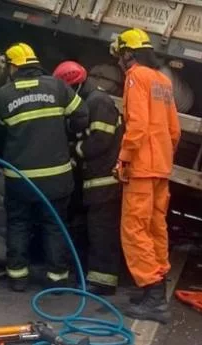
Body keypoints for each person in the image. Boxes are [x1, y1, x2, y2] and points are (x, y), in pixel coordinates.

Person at [0, 43, 89, 292]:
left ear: (14, 67)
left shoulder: (3, 96)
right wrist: (65, 133)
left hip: (20, 178)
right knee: (54, 225)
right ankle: (57, 277)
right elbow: (82, 115)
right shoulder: (57, 87)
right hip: (57, 177)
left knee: (19, 223)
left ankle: (18, 277)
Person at [111, 28, 181, 323]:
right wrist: (163, 157)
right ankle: (154, 288)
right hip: (161, 166)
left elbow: (137, 125)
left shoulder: (135, 76)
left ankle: (153, 296)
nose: (118, 61)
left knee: (134, 229)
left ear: (128, 53)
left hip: (141, 167)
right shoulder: (163, 81)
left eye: (119, 55)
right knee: (155, 228)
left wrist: (124, 159)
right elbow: (175, 130)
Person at [53, 61, 124, 296]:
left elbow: (100, 141)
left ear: (75, 85)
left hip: (105, 182)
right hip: (94, 182)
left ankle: (104, 282)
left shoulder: (99, 102)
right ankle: (90, 275)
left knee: (101, 232)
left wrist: (73, 151)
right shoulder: (89, 100)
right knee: (90, 229)